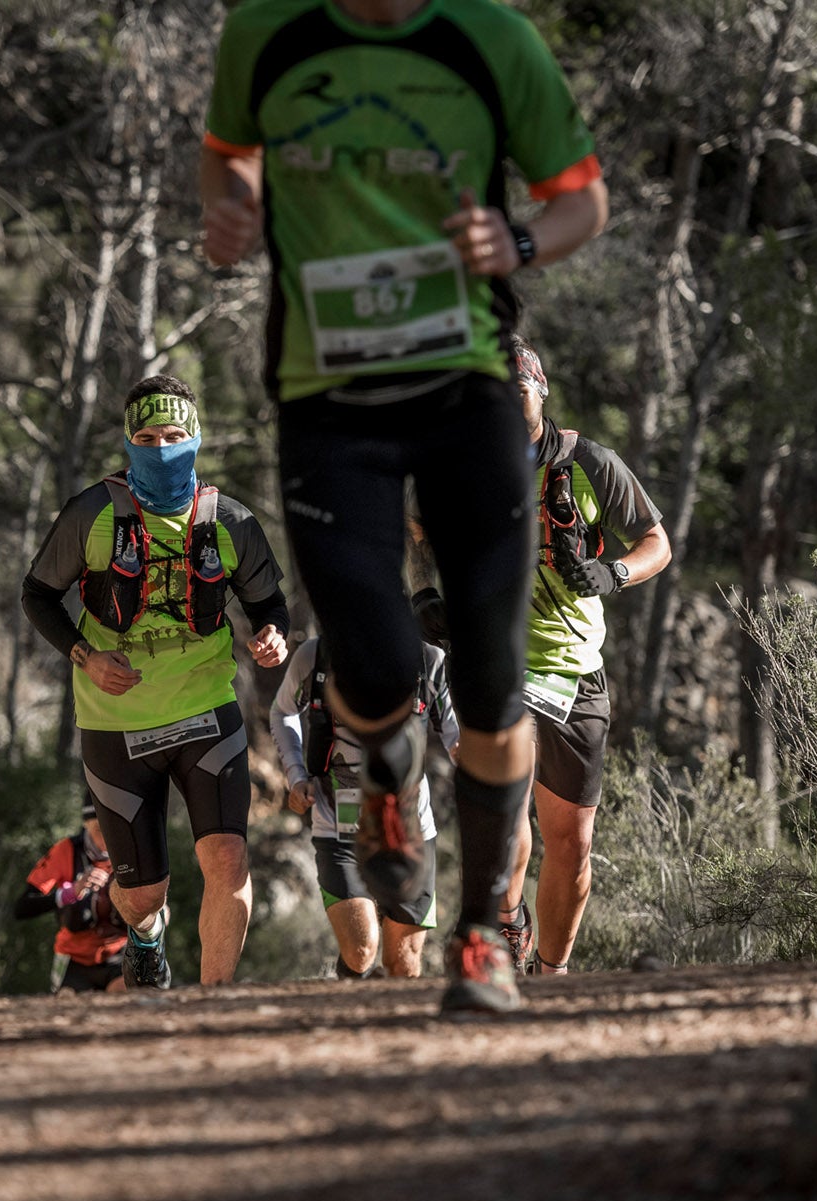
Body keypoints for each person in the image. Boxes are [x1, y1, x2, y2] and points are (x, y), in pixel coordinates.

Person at [199, 0, 609, 1012]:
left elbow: (580, 203)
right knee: (371, 661)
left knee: (489, 671)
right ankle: (384, 771)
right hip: (325, 396)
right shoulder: (268, 35)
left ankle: (478, 938)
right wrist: (231, 204)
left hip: (465, 392)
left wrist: (514, 239)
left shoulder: (492, 39)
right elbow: (225, 156)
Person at [21, 375, 291, 989]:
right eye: (147, 437)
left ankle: (213, 1002)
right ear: (127, 443)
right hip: (116, 725)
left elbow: (269, 603)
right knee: (144, 893)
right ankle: (146, 932)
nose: (162, 447)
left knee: (228, 859)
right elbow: (37, 595)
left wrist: (272, 634)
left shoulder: (231, 522)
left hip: (206, 710)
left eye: (174, 436)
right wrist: (84, 655)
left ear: (196, 439)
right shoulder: (91, 513)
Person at [496, 339, 670, 974]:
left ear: (541, 391)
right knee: (505, 816)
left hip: (576, 673)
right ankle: (508, 923)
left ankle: (553, 969)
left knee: (571, 840)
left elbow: (657, 542)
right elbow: (422, 534)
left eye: (517, 391)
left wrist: (613, 574)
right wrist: (429, 597)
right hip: (498, 668)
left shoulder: (590, 462)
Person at [271, 611, 460, 980]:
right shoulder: (314, 657)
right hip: (336, 826)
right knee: (360, 951)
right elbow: (282, 712)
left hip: (409, 830)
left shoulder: (429, 661)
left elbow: (457, 736)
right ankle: (347, 990)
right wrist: (296, 777)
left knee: (403, 963)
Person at [14, 799, 129, 993]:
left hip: (119, 955)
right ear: (86, 823)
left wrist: (156, 911)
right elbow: (22, 908)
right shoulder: (65, 851)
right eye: (101, 829)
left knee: (127, 998)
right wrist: (70, 893)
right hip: (73, 959)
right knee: (70, 1006)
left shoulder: (132, 852)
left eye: (115, 828)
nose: (108, 838)